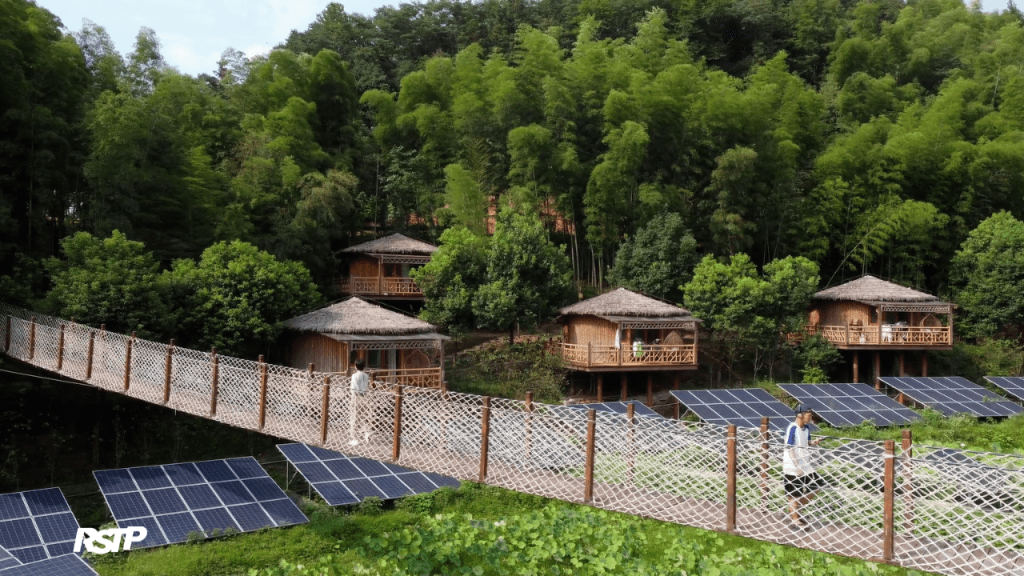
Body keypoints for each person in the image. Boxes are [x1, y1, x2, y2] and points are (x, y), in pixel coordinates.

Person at [784, 405, 824, 528]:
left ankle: (796, 509)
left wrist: (814, 442)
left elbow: (806, 442)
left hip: (805, 465)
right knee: (794, 495)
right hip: (792, 467)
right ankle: (795, 520)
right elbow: (790, 447)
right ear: (800, 415)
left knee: (818, 485)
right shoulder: (792, 428)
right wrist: (797, 466)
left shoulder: (806, 428)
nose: (811, 417)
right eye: (809, 414)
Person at [348, 359, 370, 446]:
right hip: (364, 397)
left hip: (356, 397)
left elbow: (354, 388)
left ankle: (355, 438)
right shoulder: (366, 375)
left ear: (356, 366)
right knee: (364, 417)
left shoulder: (354, 375)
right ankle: (366, 435)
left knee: (355, 418)